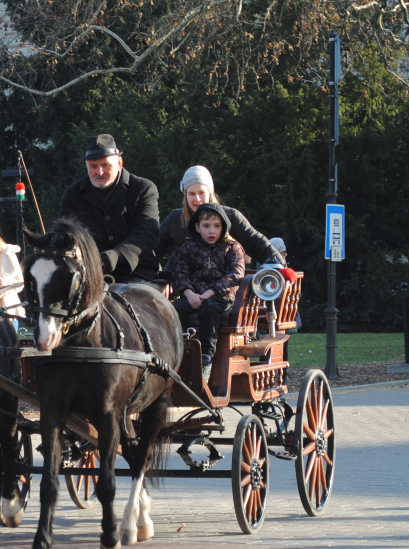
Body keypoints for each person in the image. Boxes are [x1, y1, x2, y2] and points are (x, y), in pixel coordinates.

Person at [58, 134, 160, 281]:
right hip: (87, 276)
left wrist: (113, 257)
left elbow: (147, 233)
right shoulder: (72, 195)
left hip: (136, 275)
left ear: (119, 163)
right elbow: (65, 235)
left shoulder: (143, 189)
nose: (99, 172)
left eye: (105, 165)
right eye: (93, 166)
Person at [168, 204, 246, 381]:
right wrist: (189, 293)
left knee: (210, 309)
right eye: (206, 226)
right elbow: (179, 271)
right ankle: (176, 353)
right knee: (175, 309)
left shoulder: (232, 247)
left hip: (220, 297)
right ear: (197, 227)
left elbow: (236, 274)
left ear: (223, 227)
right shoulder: (189, 247)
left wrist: (211, 292)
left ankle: (206, 358)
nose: (212, 231)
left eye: (217, 226)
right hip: (192, 295)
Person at [155, 165, 281, 270]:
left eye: (201, 193)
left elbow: (256, 243)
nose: (197, 199)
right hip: (187, 291)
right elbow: (153, 249)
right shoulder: (175, 220)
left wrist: (278, 265)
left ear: (210, 193)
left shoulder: (231, 217)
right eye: (191, 194)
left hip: (222, 289)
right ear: (185, 195)